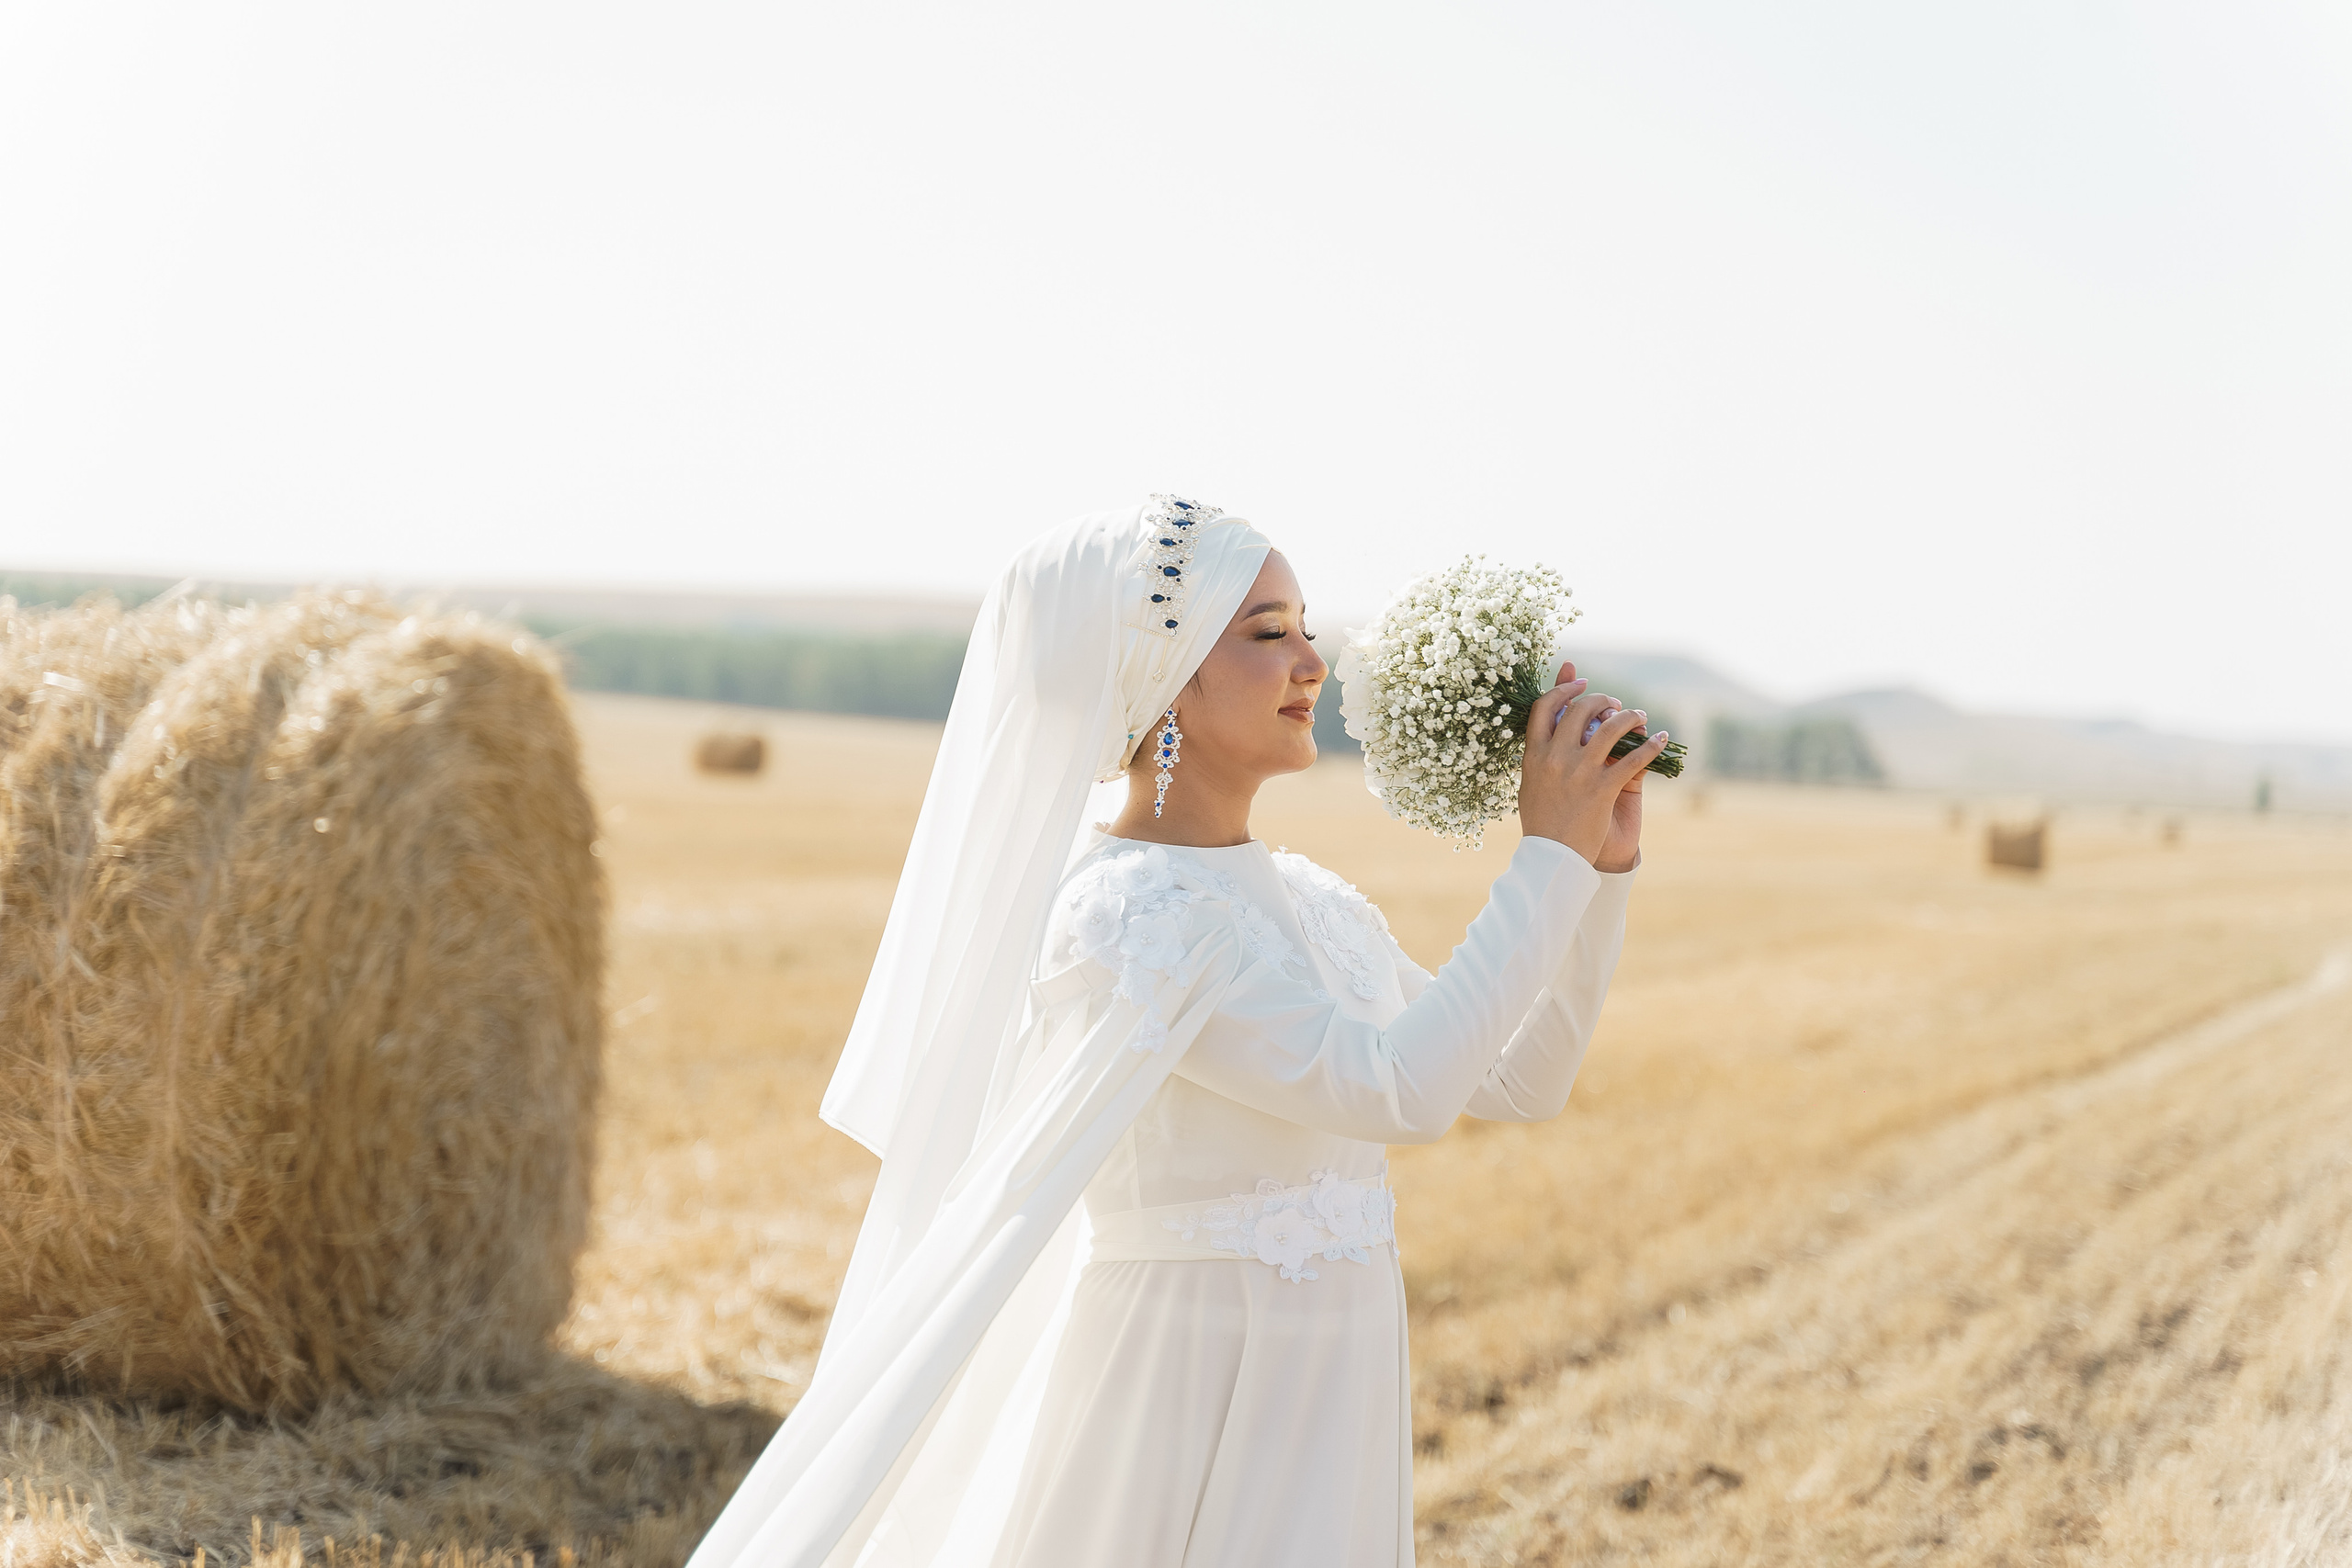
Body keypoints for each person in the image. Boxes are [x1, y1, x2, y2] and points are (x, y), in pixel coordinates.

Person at [685, 497, 1663, 1568]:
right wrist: (1546, 858)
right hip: (1182, 1387)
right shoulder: (1134, 915)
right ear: (1160, 683)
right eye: (1266, 632)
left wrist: (1598, 873)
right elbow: (1399, 1092)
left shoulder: (1311, 899)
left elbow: (1517, 1081)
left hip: (1329, 1383)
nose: (1312, 662)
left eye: (1303, 625)